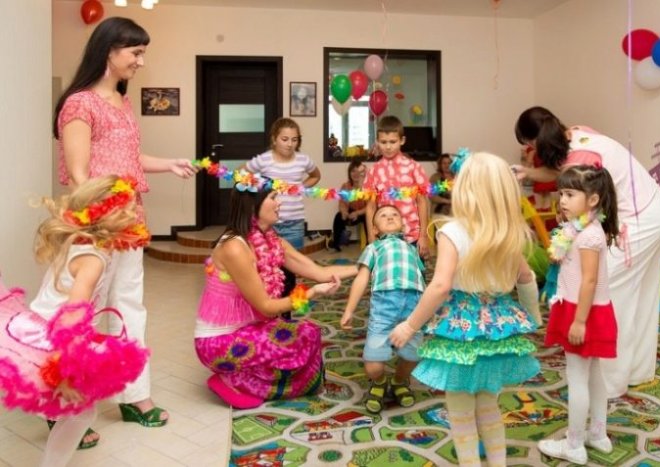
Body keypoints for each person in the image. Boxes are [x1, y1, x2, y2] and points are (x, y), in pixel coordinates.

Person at [52, 17, 197, 430]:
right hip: (96, 228)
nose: (141, 61)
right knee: (84, 314)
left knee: (130, 309)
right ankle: (62, 406)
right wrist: (103, 219)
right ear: (109, 50)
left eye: (142, 53)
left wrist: (168, 164)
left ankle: (134, 396)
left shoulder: (122, 100)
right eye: (136, 52)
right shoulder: (79, 104)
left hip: (130, 225)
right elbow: (80, 175)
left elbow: (128, 159)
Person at [389, 151, 542, 466]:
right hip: (498, 332)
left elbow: (440, 286)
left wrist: (410, 325)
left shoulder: (452, 231)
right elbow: (526, 278)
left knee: (460, 413)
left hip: (461, 333)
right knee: (489, 407)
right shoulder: (509, 232)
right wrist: (533, 319)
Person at [513, 106, 660, 397]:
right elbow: (563, 168)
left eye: (529, 145)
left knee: (608, 294)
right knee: (641, 295)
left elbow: (578, 196)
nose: (529, 151)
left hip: (638, 220)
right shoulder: (577, 133)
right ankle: (636, 371)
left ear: (536, 141)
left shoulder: (582, 158)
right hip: (656, 209)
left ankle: (607, 383)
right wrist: (529, 172)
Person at [0, 175, 150, 467]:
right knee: (81, 411)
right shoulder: (93, 259)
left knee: (81, 412)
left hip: (39, 328)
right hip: (51, 340)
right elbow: (72, 314)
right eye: (130, 210)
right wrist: (67, 367)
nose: (136, 214)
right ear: (107, 216)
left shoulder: (82, 243)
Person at [194, 173, 357, 409]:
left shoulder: (271, 240)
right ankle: (232, 380)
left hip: (247, 330)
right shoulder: (234, 247)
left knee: (309, 333)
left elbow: (319, 272)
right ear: (254, 205)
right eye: (273, 197)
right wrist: (311, 294)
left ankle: (245, 376)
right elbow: (267, 307)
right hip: (217, 342)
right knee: (287, 341)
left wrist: (366, 267)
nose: (279, 203)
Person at [537, 165, 620, 465]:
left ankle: (573, 444)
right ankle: (597, 433)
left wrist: (580, 321)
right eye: (562, 193)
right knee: (594, 374)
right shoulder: (581, 228)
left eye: (570, 194)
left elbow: (589, 280)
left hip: (583, 312)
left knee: (577, 377)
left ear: (593, 200)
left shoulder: (589, 236)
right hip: (585, 308)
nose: (562, 200)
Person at [340, 205, 425, 414]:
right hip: (384, 308)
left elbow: (422, 278)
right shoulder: (373, 248)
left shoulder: (412, 249)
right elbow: (361, 279)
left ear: (403, 225)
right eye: (383, 215)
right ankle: (379, 382)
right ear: (375, 229)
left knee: (413, 356)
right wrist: (349, 310)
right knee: (373, 367)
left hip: (413, 307)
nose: (390, 217)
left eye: (395, 214)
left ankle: (399, 381)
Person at [243, 117, 322, 295]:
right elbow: (242, 174)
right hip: (268, 225)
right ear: (274, 139)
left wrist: (301, 187)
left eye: (294, 140)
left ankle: (287, 306)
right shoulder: (264, 160)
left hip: (294, 223)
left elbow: (315, 175)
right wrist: (259, 190)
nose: (290, 144)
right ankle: (267, 302)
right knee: (267, 266)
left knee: (291, 270)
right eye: (285, 139)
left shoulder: (303, 160)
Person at [363, 115, 430, 258]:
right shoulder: (374, 171)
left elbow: (422, 202)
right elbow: (370, 207)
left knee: (415, 271)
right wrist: (371, 237)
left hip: (412, 236)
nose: (388, 147)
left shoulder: (413, 167)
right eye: (383, 142)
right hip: (384, 237)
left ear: (402, 140)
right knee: (386, 271)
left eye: (393, 142)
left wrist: (423, 236)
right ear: (377, 142)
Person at [329, 160, 367, 252]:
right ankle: (336, 244)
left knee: (368, 217)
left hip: (363, 212)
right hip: (351, 210)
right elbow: (342, 203)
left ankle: (370, 244)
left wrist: (357, 213)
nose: (356, 174)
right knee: (338, 217)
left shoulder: (367, 186)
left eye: (358, 171)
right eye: (353, 171)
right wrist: (344, 212)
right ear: (349, 173)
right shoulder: (346, 186)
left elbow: (370, 206)